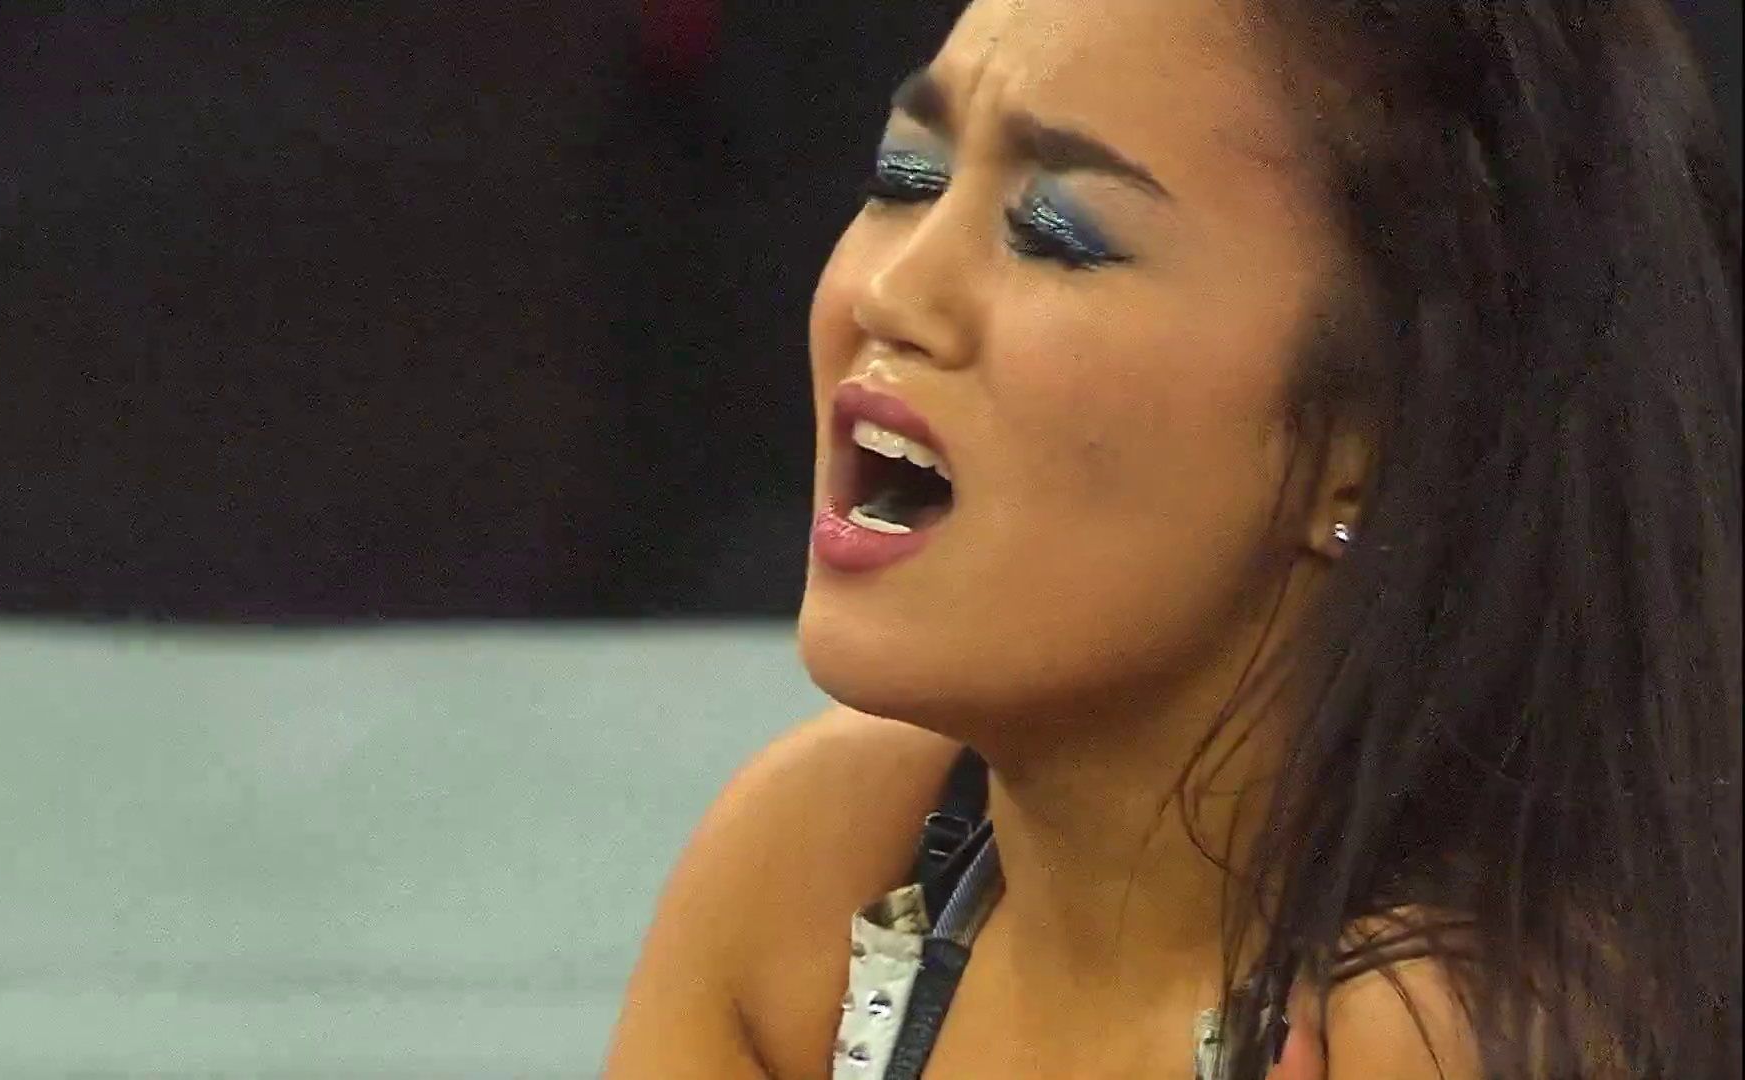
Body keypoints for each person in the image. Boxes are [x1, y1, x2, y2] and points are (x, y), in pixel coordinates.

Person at [604, 0, 1741, 1076]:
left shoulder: (1444, 1032)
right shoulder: (820, 869)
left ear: (1377, 440)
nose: (890, 292)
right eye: (908, 177)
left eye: (1056, 235)